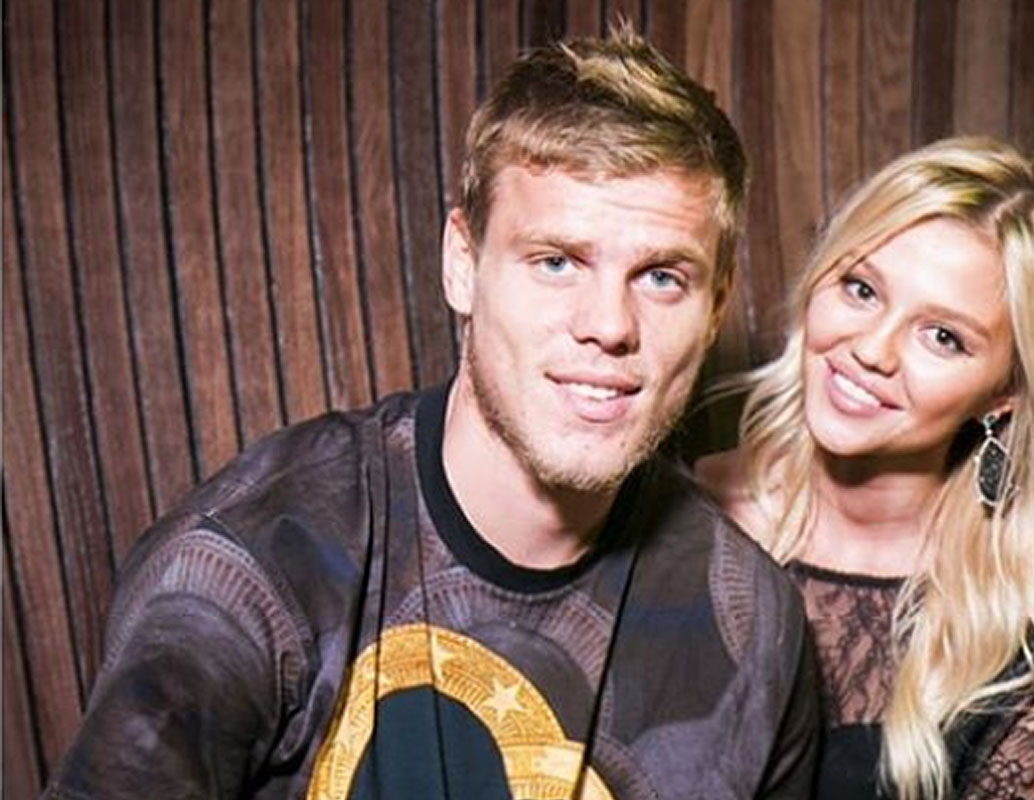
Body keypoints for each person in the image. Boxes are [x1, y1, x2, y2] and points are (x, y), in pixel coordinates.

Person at [45, 28, 818, 800]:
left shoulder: (755, 629)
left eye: (662, 278)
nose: (610, 325)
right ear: (461, 264)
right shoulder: (256, 561)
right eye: (556, 262)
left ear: (716, 306)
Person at [696, 137, 1034, 800]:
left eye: (943, 337)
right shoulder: (672, 519)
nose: (871, 350)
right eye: (861, 289)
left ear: (1006, 394)